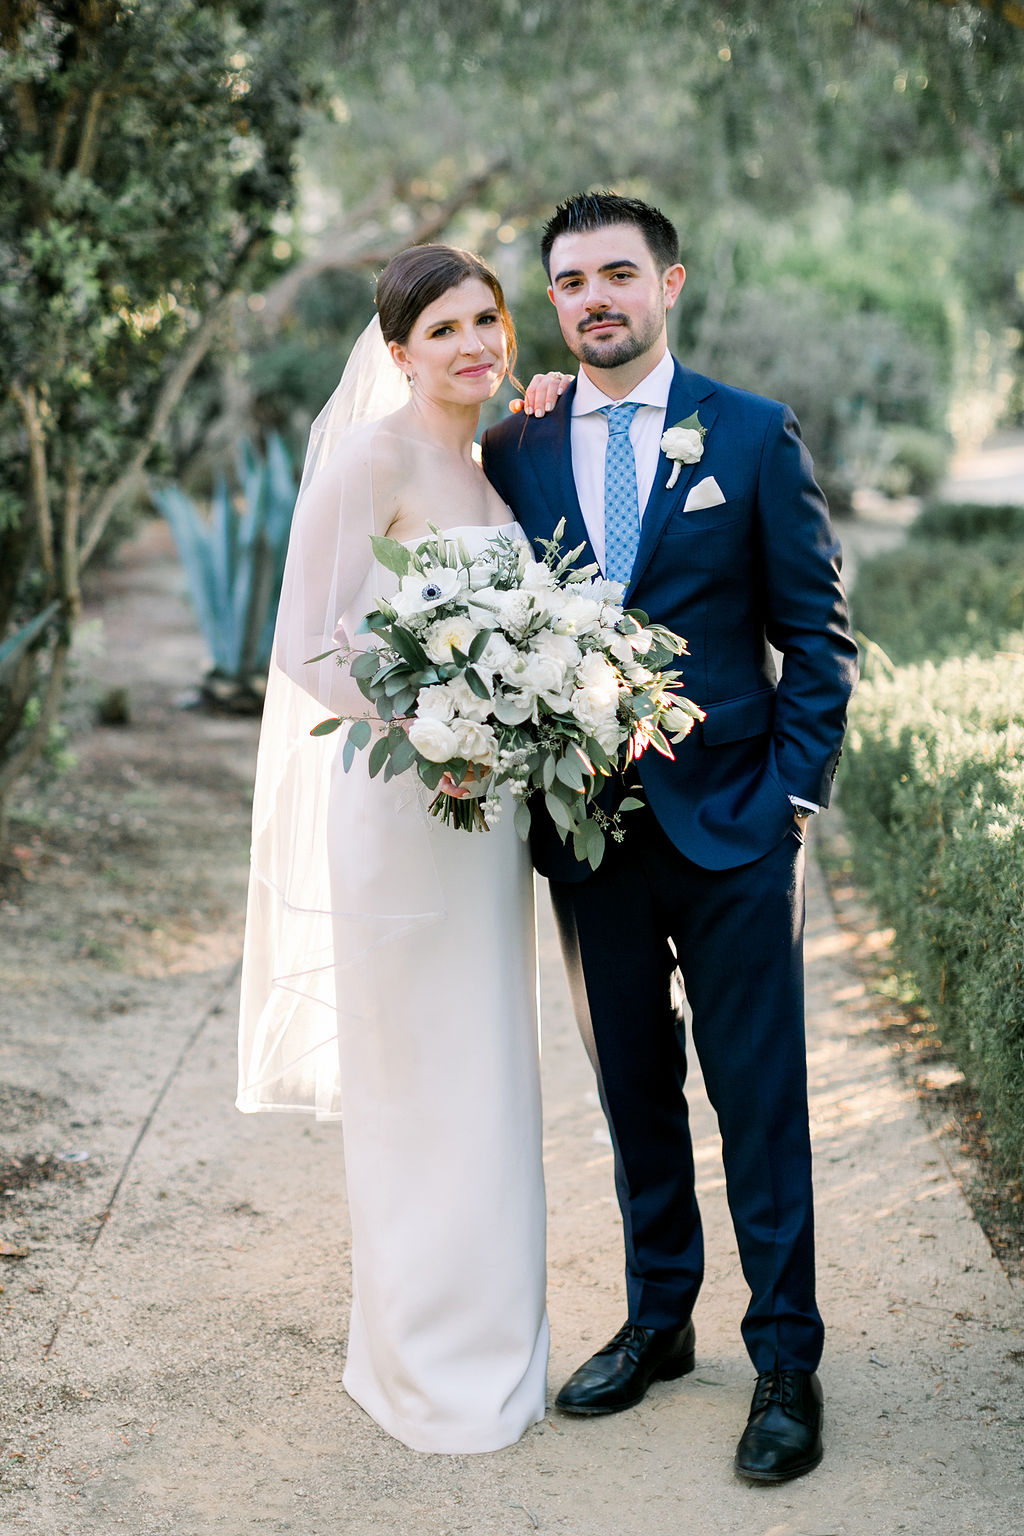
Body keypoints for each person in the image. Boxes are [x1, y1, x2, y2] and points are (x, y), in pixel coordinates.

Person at [482, 192, 859, 1483]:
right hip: (588, 836)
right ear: (555, 302)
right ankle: (660, 1321)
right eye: (571, 281)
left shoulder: (750, 433)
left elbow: (818, 637)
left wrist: (791, 800)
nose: (594, 298)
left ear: (670, 285)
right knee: (632, 1092)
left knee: (759, 1101)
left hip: (737, 829)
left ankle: (787, 1361)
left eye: (617, 274)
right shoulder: (515, 448)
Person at [236, 246, 549, 1454]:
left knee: (487, 1070)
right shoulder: (372, 458)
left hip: (485, 823)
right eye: (444, 329)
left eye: (486, 320)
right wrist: (425, 723)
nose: (473, 344)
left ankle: (501, 1349)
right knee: (417, 1076)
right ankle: (419, 1367)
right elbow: (304, 646)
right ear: (399, 351)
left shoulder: (491, 464)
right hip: (403, 806)